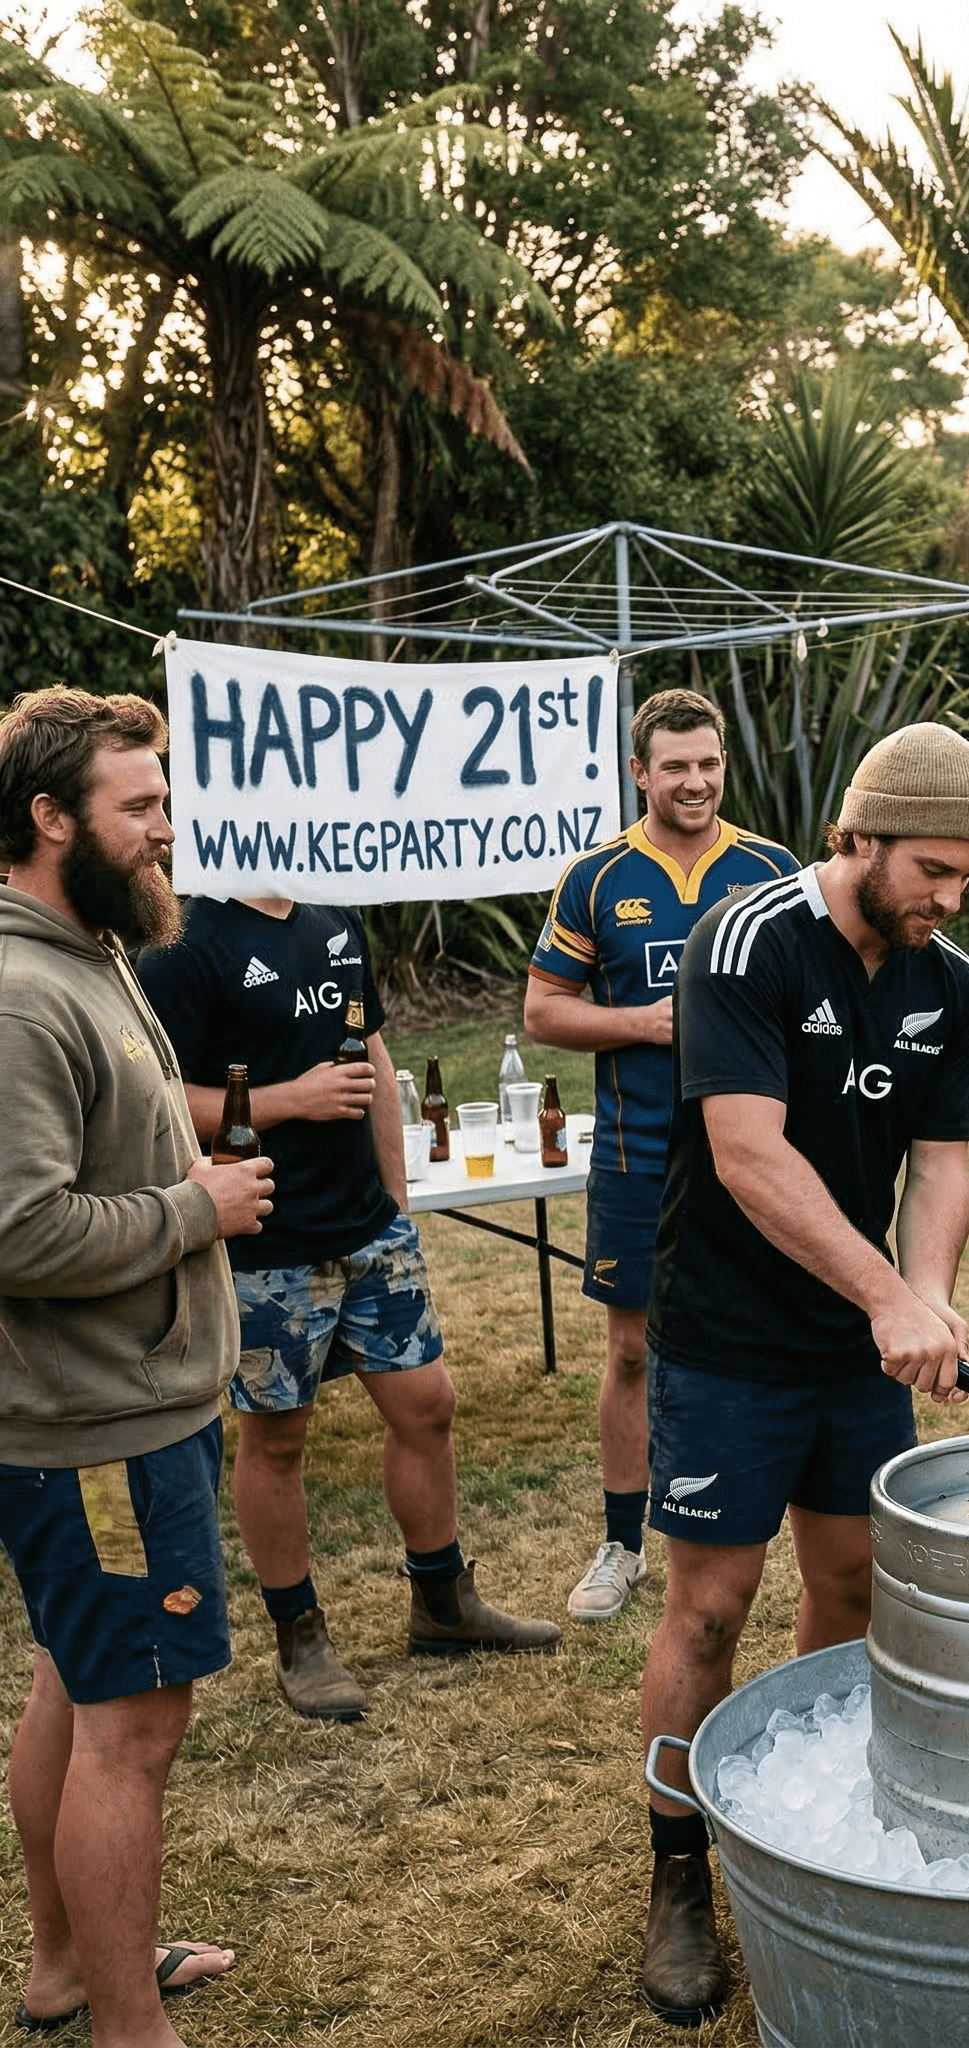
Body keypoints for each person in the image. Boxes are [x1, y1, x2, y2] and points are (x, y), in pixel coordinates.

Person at [637, 722, 969, 2025]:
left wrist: (935, 1298)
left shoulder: (944, 983)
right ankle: (680, 1869)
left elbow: (944, 1160)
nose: (952, 901)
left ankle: (807, 1808)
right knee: (712, 1609)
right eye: (936, 872)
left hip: (859, 1356)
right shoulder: (743, 942)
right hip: (731, 1340)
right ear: (863, 836)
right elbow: (748, 1154)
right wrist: (887, 1294)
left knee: (852, 1582)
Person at [0, 688, 270, 2042]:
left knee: (76, 1676)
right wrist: (195, 1210)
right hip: (97, 1430)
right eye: (140, 808)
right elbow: (16, 1228)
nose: (167, 831)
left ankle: (66, 1967)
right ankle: (127, 2029)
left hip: (123, 1405)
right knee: (132, 1731)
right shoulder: (18, 993)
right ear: (53, 819)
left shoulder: (80, 949)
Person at [139, 895, 560, 1724]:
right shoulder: (184, 941)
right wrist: (290, 1099)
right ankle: (300, 1636)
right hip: (264, 1238)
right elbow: (155, 1095)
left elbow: (369, 1054)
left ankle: (442, 1601)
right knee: (279, 1437)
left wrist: (395, 1204)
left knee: (427, 1405)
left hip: (370, 1232)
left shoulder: (336, 917)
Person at [526, 688, 797, 1621]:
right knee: (635, 1351)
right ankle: (621, 1541)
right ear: (639, 773)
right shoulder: (597, 878)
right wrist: (639, 1023)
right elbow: (542, 1011)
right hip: (641, 1159)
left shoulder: (769, 869)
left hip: (757, 1157)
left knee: (765, 1333)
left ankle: (750, 1521)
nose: (695, 781)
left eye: (709, 764)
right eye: (675, 766)